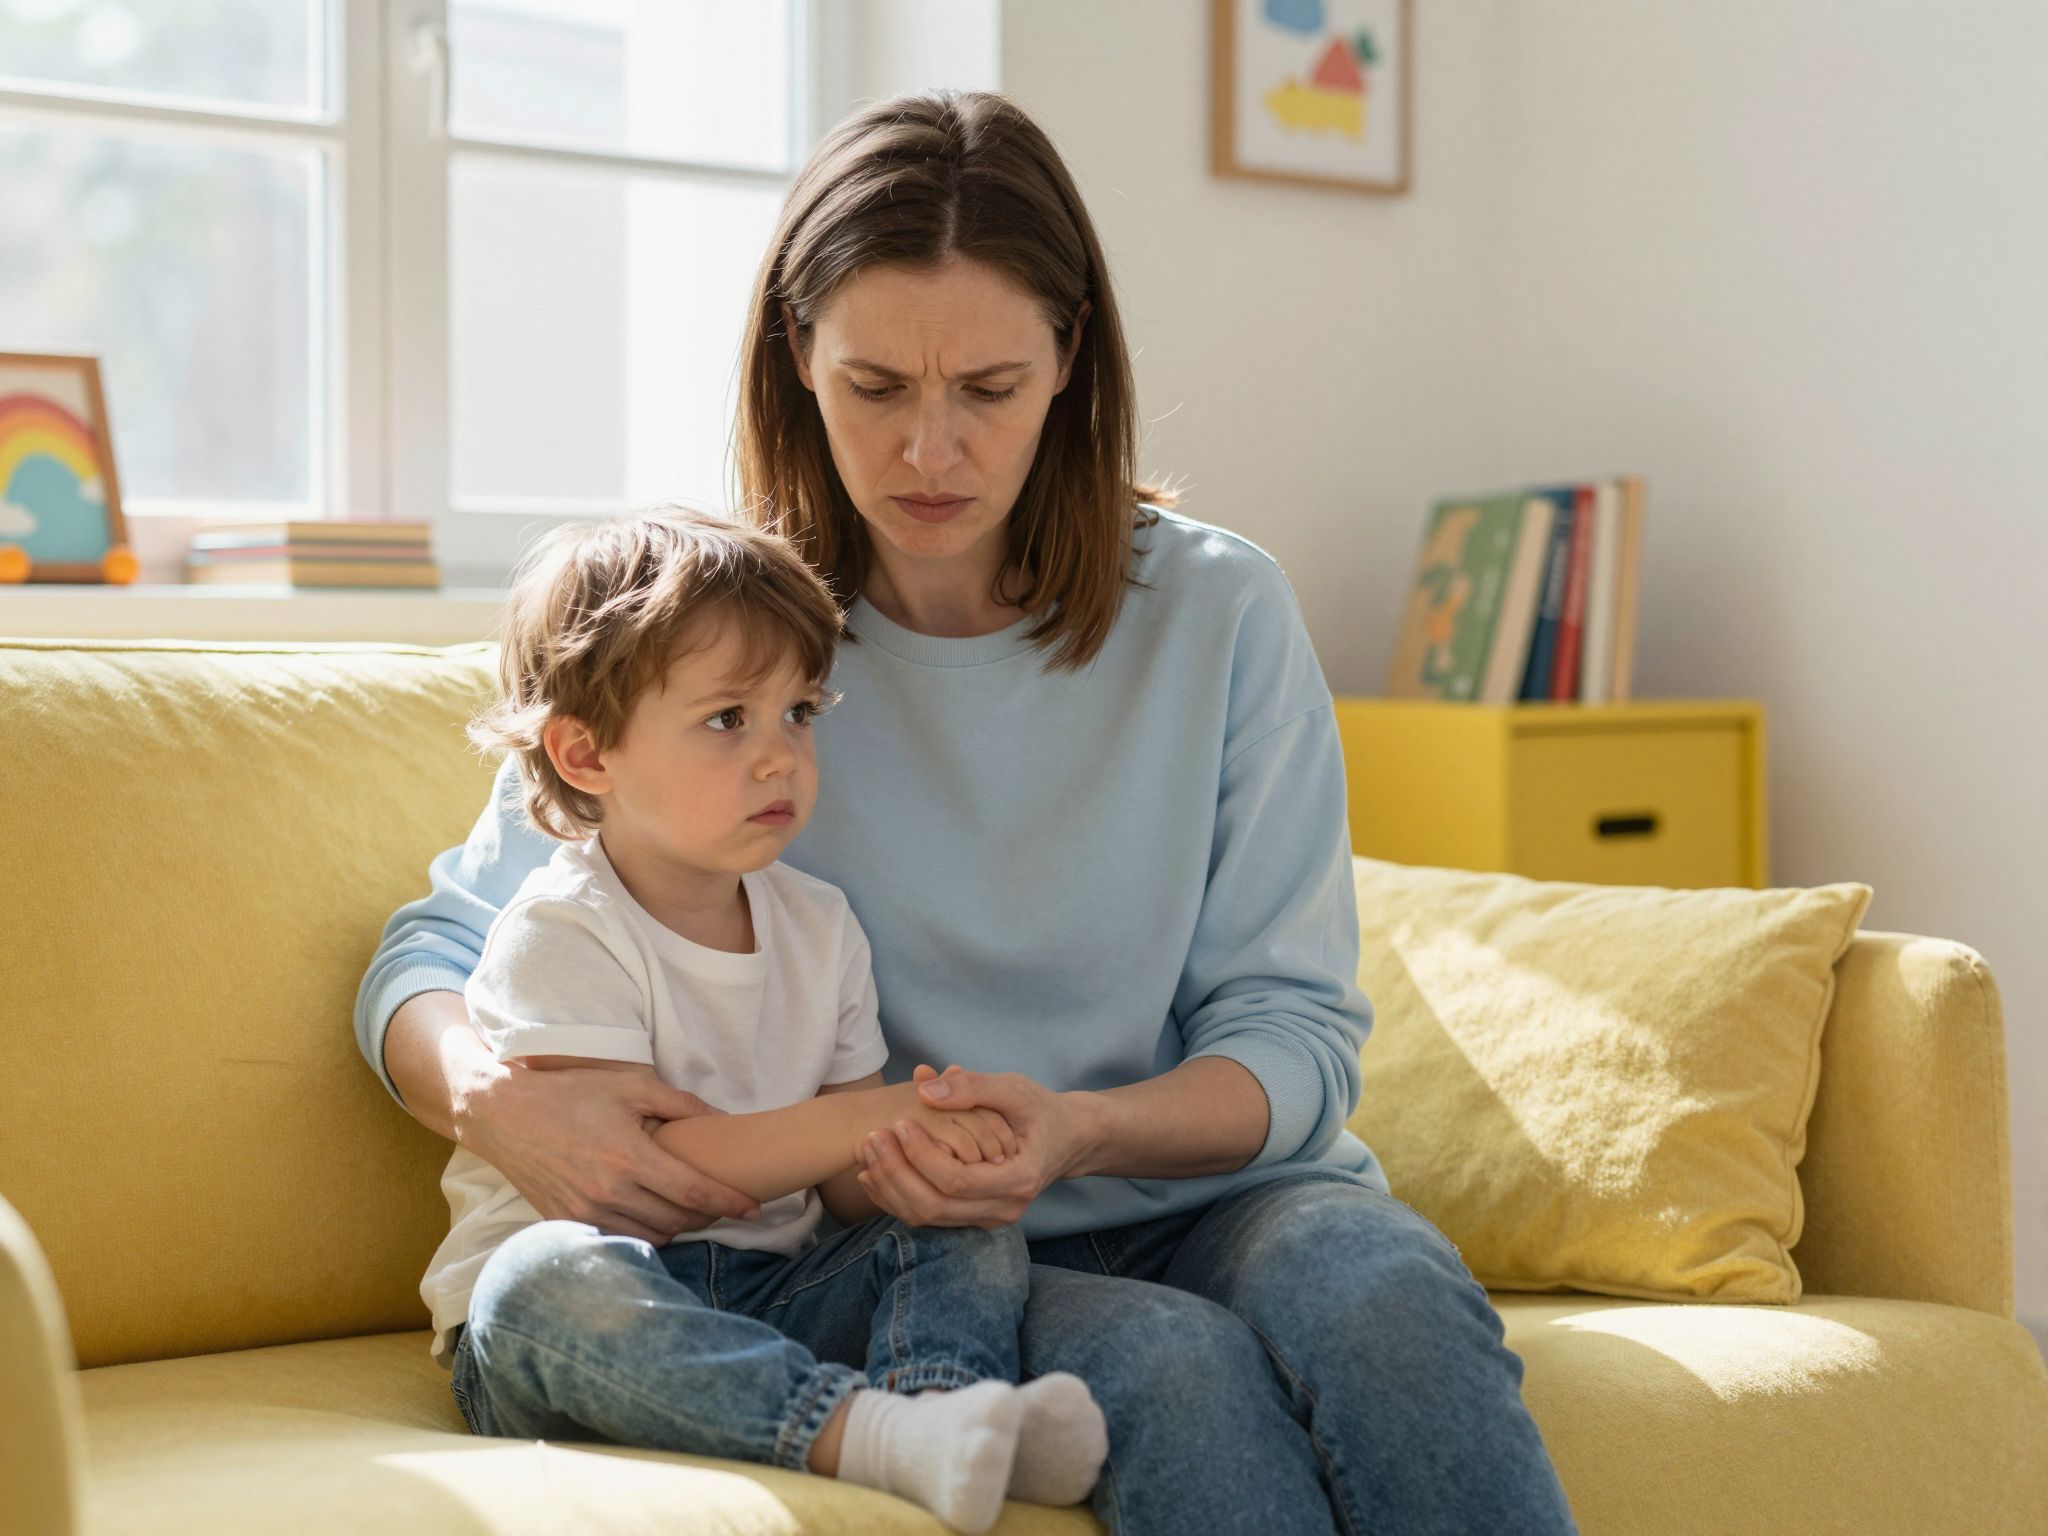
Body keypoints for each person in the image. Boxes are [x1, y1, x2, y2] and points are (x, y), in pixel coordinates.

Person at [357, 90, 1579, 1535]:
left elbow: (1295, 1042)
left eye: (988, 390)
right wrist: (502, 1103)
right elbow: (431, 953)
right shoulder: (721, 646)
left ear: (1070, 360)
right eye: (876, 386)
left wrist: (1079, 1129)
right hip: (934, 1251)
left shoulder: (1218, 609)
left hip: (1229, 1194)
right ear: (796, 358)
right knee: (1173, 1368)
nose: (930, 451)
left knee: (1388, 1296)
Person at [426, 508, 1107, 1534]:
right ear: (585, 754)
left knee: (966, 1231)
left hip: (771, 1293)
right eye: (725, 720)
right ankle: (862, 1435)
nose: (779, 757)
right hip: (588, 1317)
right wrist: (861, 1117)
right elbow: (645, 1178)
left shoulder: (820, 926)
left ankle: (941, 1422)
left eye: (799, 712)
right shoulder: (563, 933)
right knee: (539, 1278)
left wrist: (919, 1145)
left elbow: (839, 1183)